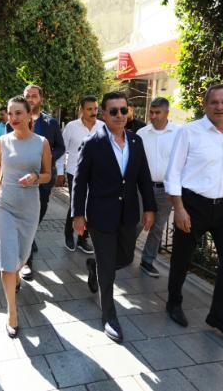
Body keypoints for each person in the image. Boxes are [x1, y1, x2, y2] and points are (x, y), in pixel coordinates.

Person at [164, 84, 223, 346]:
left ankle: (219, 317)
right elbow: (173, 173)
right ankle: (174, 302)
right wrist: (179, 208)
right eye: (214, 102)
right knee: (182, 259)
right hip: (193, 205)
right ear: (205, 105)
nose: (220, 107)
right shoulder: (189, 131)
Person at [72, 91, 156, 343]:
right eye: (113, 111)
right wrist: (78, 214)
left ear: (128, 112)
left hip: (128, 213)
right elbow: (80, 182)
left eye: (123, 110)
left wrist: (149, 208)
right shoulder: (92, 143)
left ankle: (94, 266)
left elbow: (143, 177)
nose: (119, 115)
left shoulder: (136, 141)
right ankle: (109, 316)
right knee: (108, 269)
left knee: (126, 258)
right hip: (101, 215)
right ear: (104, 114)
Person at [0, 95, 51, 338]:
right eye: (10, 113)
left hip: (29, 210)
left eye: (18, 113)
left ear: (28, 115)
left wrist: (36, 177)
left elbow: (48, 175)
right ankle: (12, 314)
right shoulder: (1, 142)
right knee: (7, 263)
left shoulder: (41, 143)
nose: (13, 118)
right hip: (4, 206)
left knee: (22, 257)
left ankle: (16, 274)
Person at [18, 84, 65, 280]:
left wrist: (46, 159)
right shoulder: (16, 119)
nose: (30, 99)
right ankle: (26, 262)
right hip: (22, 178)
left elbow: (60, 147)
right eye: (27, 96)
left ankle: (29, 235)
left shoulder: (51, 123)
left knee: (39, 212)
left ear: (41, 99)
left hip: (44, 178)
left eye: (34, 96)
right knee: (26, 217)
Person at [135, 97, 179, 278]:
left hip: (166, 189)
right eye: (151, 112)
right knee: (137, 222)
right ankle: (124, 253)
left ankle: (147, 261)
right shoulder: (142, 133)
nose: (153, 116)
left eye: (157, 113)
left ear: (167, 112)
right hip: (142, 187)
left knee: (158, 226)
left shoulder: (179, 133)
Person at [58, 95, 104, 254]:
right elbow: (62, 150)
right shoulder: (71, 127)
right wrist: (60, 172)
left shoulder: (103, 127)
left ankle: (83, 239)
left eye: (95, 108)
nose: (93, 112)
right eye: (89, 109)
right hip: (75, 172)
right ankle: (68, 235)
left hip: (96, 174)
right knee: (76, 204)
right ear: (82, 110)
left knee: (90, 205)